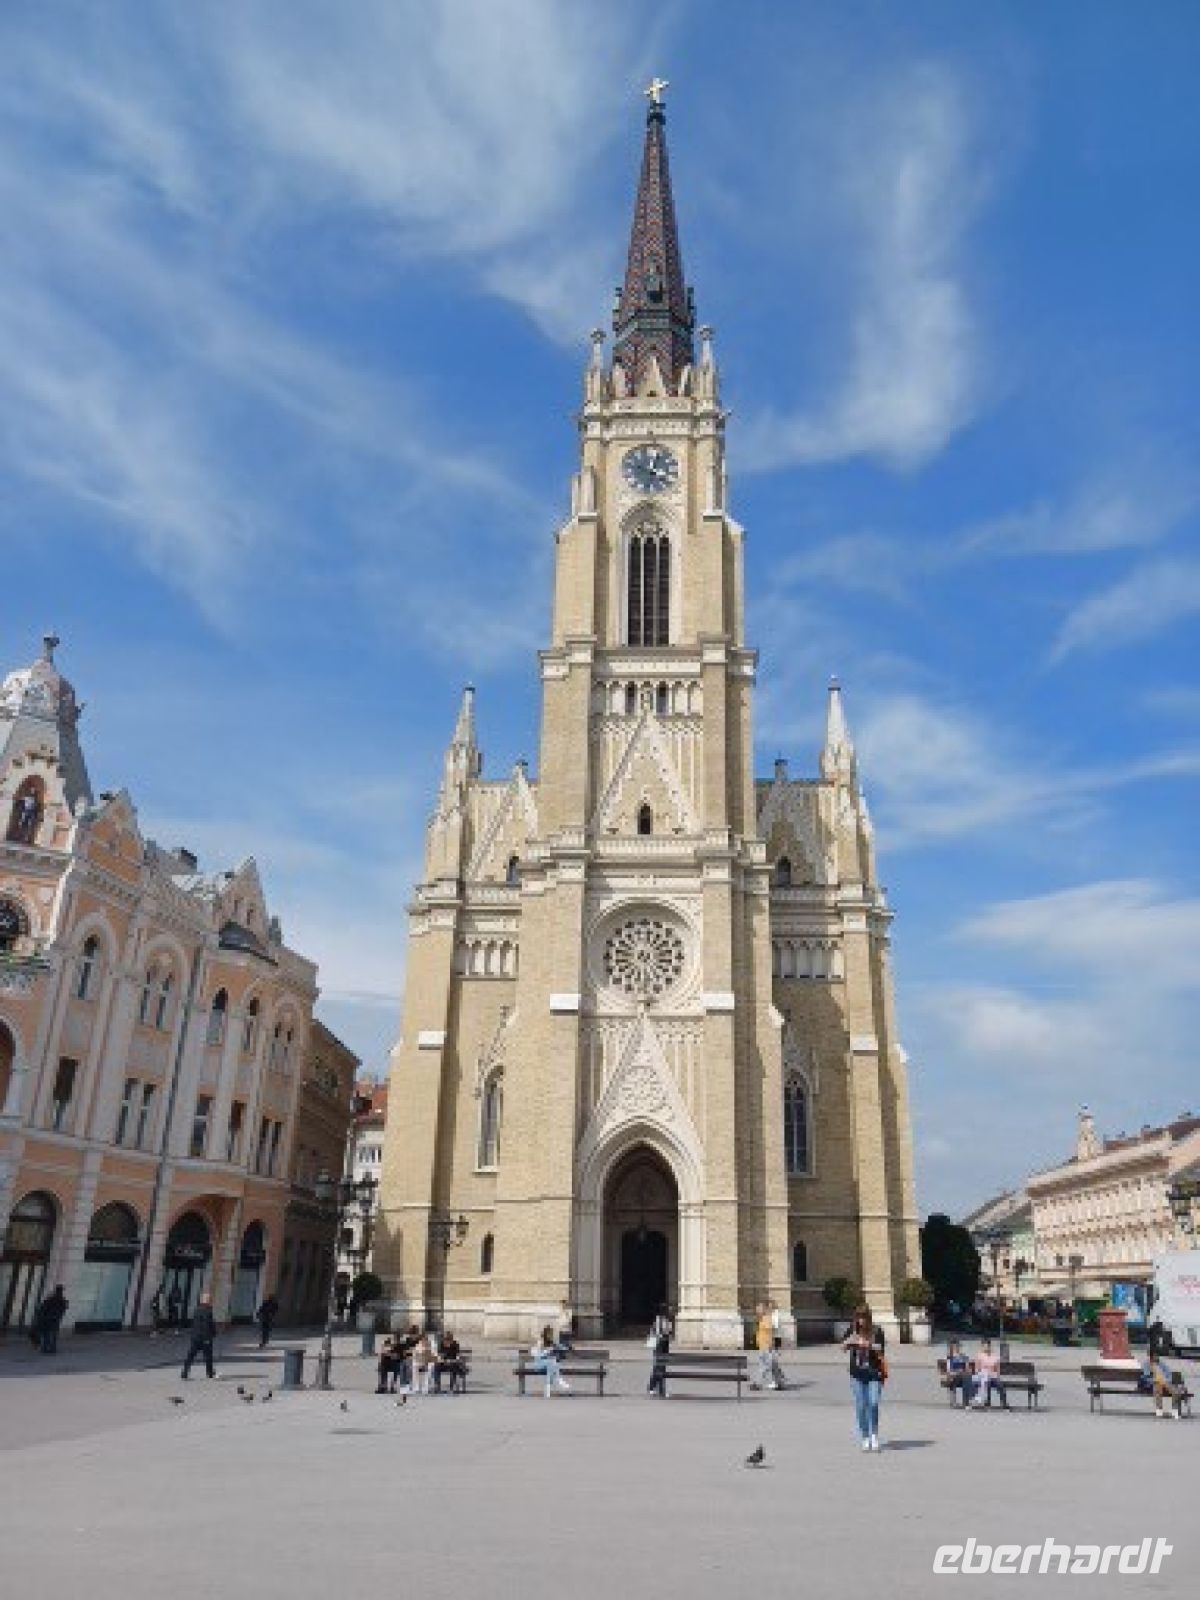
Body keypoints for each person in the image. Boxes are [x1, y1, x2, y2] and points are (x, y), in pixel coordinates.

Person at [843, 1304, 885, 1451]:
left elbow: (881, 1349)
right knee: (861, 1406)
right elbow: (843, 1347)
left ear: (869, 1317)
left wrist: (868, 1344)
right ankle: (865, 1436)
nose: (861, 1321)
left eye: (863, 1317)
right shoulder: (852, 1329)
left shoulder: (877, 1330)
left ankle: (874, 1435)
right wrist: (850, 1341)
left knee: (873, 1403)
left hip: (874, 1373)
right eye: (858, 1317)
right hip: (857, 1374)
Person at [1147, 1320, 1184, 1420]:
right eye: (1155, 1356)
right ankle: (1159, 1410)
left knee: (1176, 1392)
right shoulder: (1148, 1364)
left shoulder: (1161, 1364)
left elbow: (1168, 1373)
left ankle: (1174, 1411)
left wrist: (1168, 1379)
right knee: (1157, 1390)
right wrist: (1153, 1380)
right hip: (1156, 1382)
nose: (1156, 1357)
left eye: (1157, 1356)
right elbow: (1146, 1377)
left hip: (1165, 1382)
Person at [181, 1292, 219, 1380]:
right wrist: (211, 1334)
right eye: (209, 1299)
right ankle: (210, 1373)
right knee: (208, 1356)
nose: (211, 1301)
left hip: (195, 1337)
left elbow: (195, 1324)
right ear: (207, 1301)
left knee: (191, 1355)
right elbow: (207, 1325)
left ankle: (185, 1372)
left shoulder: (197, 1310)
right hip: (204, 1338)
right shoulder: (208, 1311)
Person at [529, 1325, 571, 1398]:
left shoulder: (552, 1343)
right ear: (545, 1334)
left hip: (548, 1365)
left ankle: (548, 1390)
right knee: (552, 1362)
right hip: (538, 1364)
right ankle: (558, 1379)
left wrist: (564, 1348)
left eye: (551, 1334)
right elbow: (534, 1354)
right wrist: (546, 1352)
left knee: (551, 1366)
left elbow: (561, 1348)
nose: (551, 1336)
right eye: (550, 1334)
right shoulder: (540, 1342)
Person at [970, 1339, 1009, 1409]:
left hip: (992, 1376)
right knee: (982, 1382)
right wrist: (984, 1370)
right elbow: (976, 1369)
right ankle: (981, 1401)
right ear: (982, 1347)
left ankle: (1004, 1403)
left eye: (987, 1346)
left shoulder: (995, 1356)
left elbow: (997, 1369)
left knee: (999, 1384)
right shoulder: (979, 1356)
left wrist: (995, 1375)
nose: (986, 1348)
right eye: (984, 1346)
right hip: (982, 1376)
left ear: (990, 1346)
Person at [646, 1302, 673, 1397]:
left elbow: (669, 1332)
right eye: (669, 1309)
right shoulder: (659, 1320)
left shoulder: (668, 1320)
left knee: (661, 1367)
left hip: (665, 1345)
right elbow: (658, 1333)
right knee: (658, 1367)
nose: (671, 1310)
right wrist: (665, 1335)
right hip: (659, 1345)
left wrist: (668, 1335)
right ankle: (655, 1388)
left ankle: (657, 1388)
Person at [34, 1284, 69, 1354]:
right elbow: (64, 1309)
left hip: (48, 1319)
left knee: (47, 1334)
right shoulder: (62, 1300)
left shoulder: (51, 1298)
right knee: (53, 1334)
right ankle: (52, 1348)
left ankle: (45, 1348)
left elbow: (43, 1307)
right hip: (56, 1319)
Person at [750, 1302, 776, 1391]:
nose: (757, 1310)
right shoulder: (762, 1319)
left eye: (759, 1309)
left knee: (764, 1366)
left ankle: (757, 1383)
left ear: (763, 1310)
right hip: (763, 1346)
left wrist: (770, 1345)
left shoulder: (766, 1319)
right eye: (757, 1309)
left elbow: (770, 1332)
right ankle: (780, 1382)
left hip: (766, 1346)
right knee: (772, 1365)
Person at [434, 1330, 467, 1394]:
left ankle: (452, 1386)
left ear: (451, 1339)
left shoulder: (455, 1344)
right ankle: (437, 1386)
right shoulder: (441, 1344)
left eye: (449, 1339)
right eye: (446, 1339)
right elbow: (439, 1355)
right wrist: (442, 1359)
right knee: (436, 1367)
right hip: (443, 1363)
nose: (447, 1341)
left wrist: (454, 1360)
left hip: (453, 1363)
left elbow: (458, 1355)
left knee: (453, 1367)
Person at [943, 1339, 973, 1408]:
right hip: (954, 1378)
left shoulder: (963, 1357)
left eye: (957, 1347)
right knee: (966, 1377)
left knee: (966, 1377)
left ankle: (966, 1402)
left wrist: (966, 1367)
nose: (956, 1348)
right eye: (953, 1347)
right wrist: (957, 1372)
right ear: (950, 1348)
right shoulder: (949, 1358)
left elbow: (967, 1368)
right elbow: (948, 1371)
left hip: (963, 1377)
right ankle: (968, 1401)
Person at [768, 1299, 788, 1389]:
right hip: (775, 1339)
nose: (768, 1308)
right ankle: (779, 1379)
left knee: (772, 1361)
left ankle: (778, 1380)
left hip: (774, 1339)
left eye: (769, 1306)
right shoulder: (774, 1315)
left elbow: (774, 1328)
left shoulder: (775, 1316)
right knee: (772, 1362)